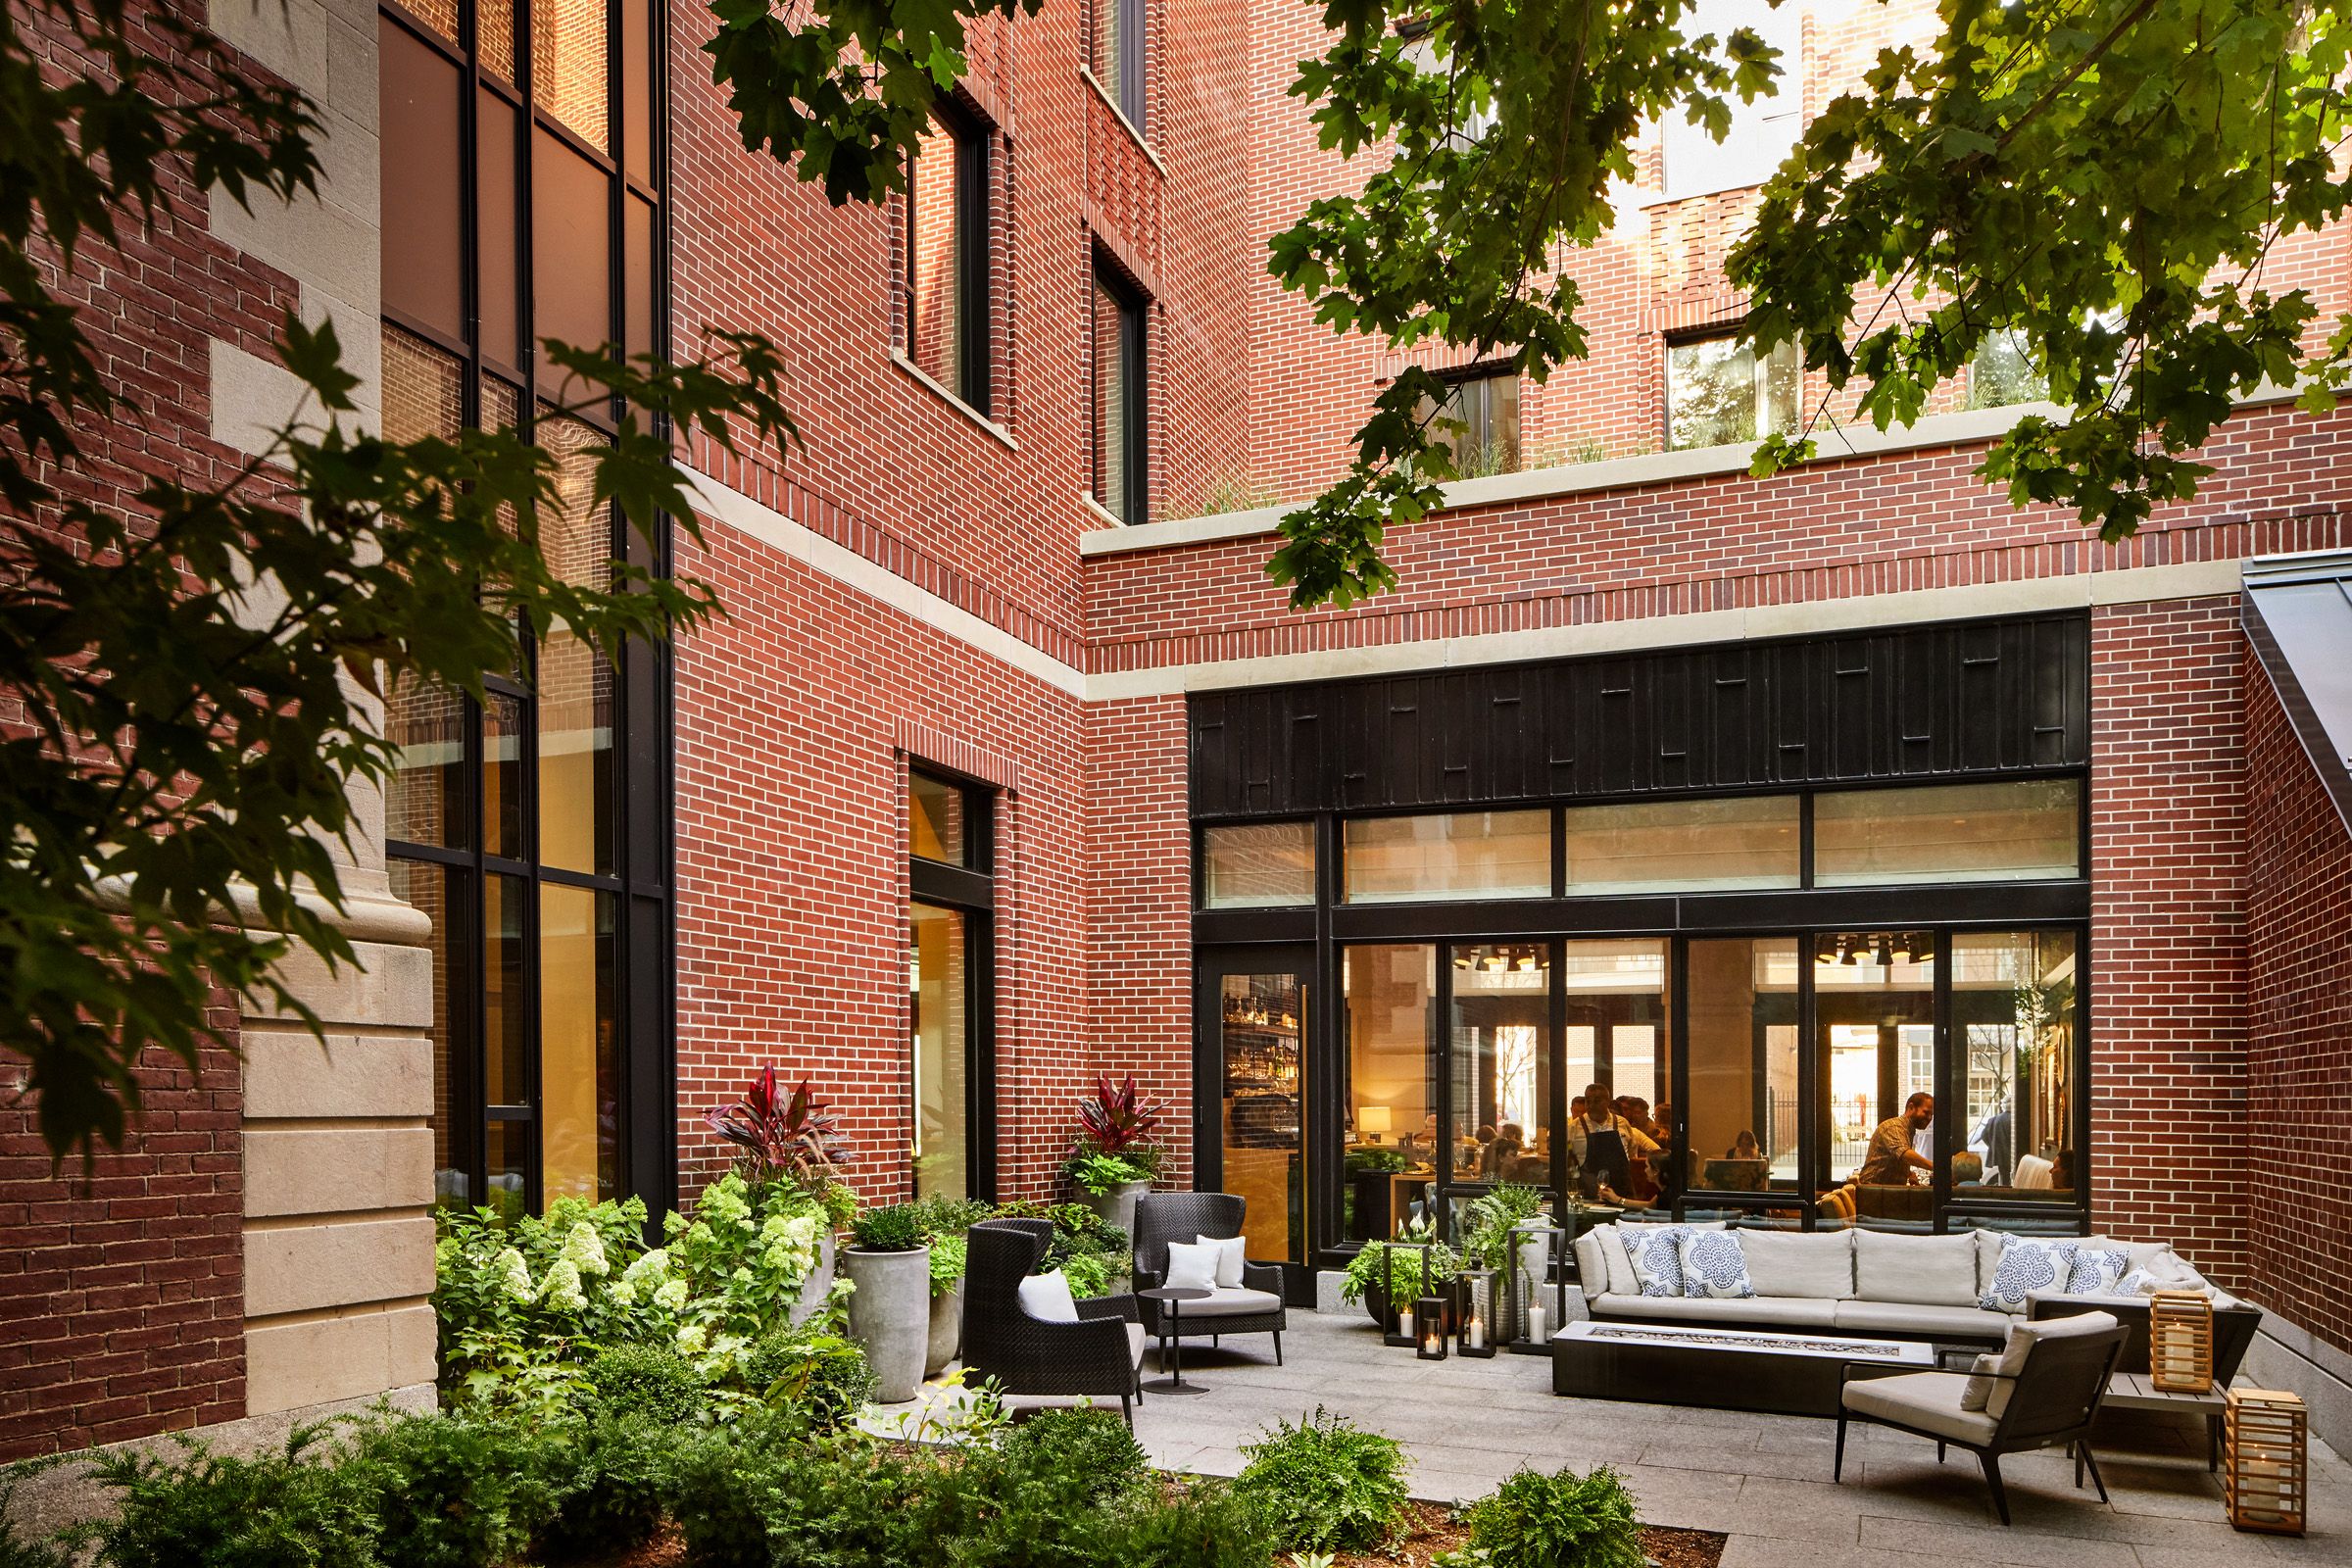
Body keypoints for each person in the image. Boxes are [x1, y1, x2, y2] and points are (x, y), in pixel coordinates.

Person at [1569, 1081, 1658, 1200]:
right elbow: (1568, 1161)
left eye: (1597, 1101)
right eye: (1588, 1101)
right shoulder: (1574, 1127)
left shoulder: (1622, 1123)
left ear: (1608, 1102)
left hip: (1622, 1192)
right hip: (1589, 1195)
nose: (1591, 1105)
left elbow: (1632, 1154)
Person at [1855, 1092, 1936, 1186]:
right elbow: (1905, 1154)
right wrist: (1936, 1167)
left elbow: (1894, 1159)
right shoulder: (1894, 1127)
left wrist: (1909, 1173)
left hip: (1881, 1190)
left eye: (1931, 1114)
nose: (1929, 1118)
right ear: (1911, 1108)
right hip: (1873, 1191)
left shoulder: (1908, 1130)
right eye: (1926, 1112)